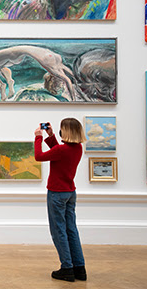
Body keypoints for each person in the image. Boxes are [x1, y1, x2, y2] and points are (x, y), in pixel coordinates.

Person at [34, 118, 87, 282]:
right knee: (71, 230)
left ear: (66, 132)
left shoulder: (62, 150)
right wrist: (50, 136)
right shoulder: (77, 148)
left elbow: (39, 156)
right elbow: (58, 153)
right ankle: (79, 268)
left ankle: (67, 268)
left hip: (57, 193)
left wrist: (38, 137)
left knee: (59, 231)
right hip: (70, 193)